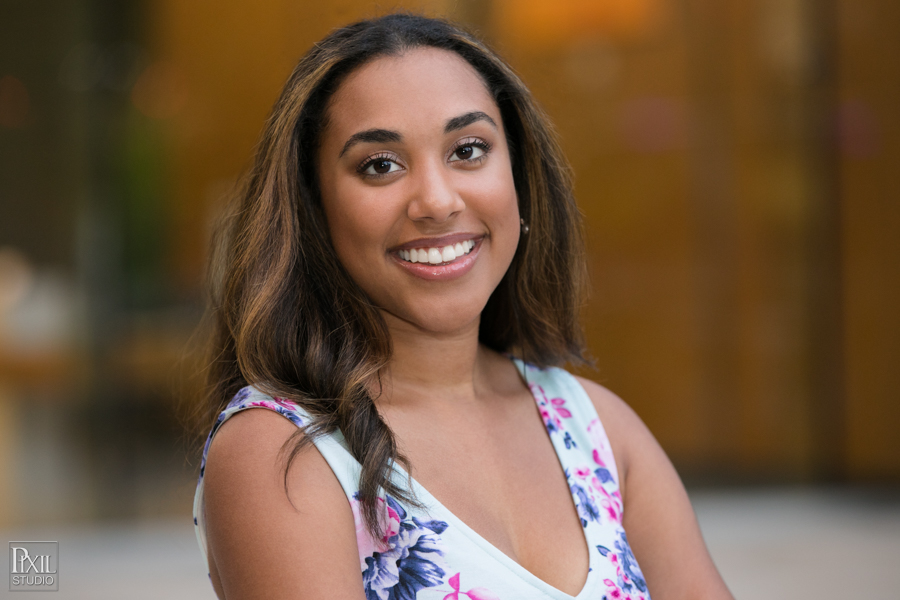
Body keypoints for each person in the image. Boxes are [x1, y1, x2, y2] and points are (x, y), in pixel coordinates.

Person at [192, 13, 733, 600]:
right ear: (314, 208)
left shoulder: (597, 428)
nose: (437, 201)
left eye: (468, 150)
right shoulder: (280, 450)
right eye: (380, 165)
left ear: (518, 176)